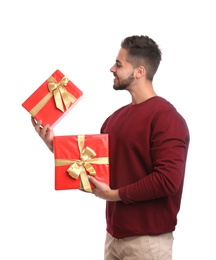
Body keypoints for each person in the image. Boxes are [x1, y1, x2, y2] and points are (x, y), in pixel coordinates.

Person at [31, 35, 190, 260]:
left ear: (139, 72)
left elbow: (167, 180)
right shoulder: (113, 119)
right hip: (113, 237)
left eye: (118, 64)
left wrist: (113, 195)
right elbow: (97, 170)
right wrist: (54, 147)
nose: (111, 69)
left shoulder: (167, 118)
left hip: (148, 242)